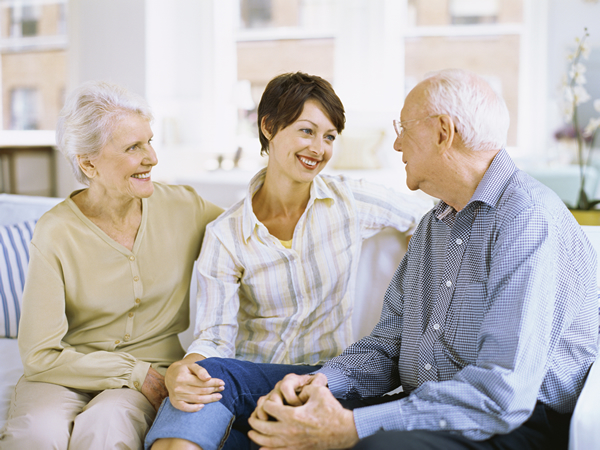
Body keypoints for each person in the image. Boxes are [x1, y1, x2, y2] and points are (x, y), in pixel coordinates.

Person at [152, 68, 597, 450]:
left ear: (443, 132)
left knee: (375, 444)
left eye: (404, 128)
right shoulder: (435, 224)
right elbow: (387, 347)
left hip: (511, 421)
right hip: (419, 402)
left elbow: (502, 395)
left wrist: (350, 427)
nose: (397, 144)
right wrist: (321, 385)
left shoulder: (526, 219)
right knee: (226, 389)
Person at [145, 72, 432, 449]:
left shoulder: (350, 202)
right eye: (306, 131)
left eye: (329, 136)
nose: (319, 148)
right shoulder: (226, 234)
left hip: (327, 382)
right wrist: (186, 369)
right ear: (268, 127)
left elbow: (429, 215)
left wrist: (426, 265)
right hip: (254, 384)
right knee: (206, 380)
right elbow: (215, 336)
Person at [0, 81, 223, 450]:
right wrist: (136, 374)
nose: (151, 157)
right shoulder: (56, 231)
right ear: (89, 163)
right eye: (134, 147)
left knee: (106, 430)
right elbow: (39, 354)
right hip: (65, 372)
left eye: (149, 141)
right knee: (37, 435)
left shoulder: (184, 207)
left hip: (153, 366)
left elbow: (251, 232)